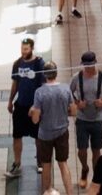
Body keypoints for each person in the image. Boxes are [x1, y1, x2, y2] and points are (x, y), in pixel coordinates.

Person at [69, 51, 102, 185]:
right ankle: (85, 168)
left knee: (96, 150)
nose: (88, 68)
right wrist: (78, 103)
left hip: (98, 119)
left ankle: (96, 175)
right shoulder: (76, 78)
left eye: (90, 65)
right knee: (82, 150)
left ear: (95, 63)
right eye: (86, 66)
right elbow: (69, 92)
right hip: (82, 119)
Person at [31, 62, 74, 195]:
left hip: (45, 134)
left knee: (46, 164)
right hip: (62, 132)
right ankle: (69, 192)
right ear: (56, 73)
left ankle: (48, 190)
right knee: (63, 163)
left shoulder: (40, 92)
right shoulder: (66, 89)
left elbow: (35, 119)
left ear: (44, 75)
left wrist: (34, 112)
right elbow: (73, 111)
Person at [6, 35, 45, 179]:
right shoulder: (17, 64)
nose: (23, 52)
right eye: (22, 49)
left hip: (34, 106)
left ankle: (40, 161)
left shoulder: (39, 64)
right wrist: (10, 100)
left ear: (32, 49)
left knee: (38, 136)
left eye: (26, 49)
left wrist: (38, 106)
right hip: (21, 105)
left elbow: (43, 85)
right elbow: (15, 83)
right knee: (17, 135)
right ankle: (17, 163)